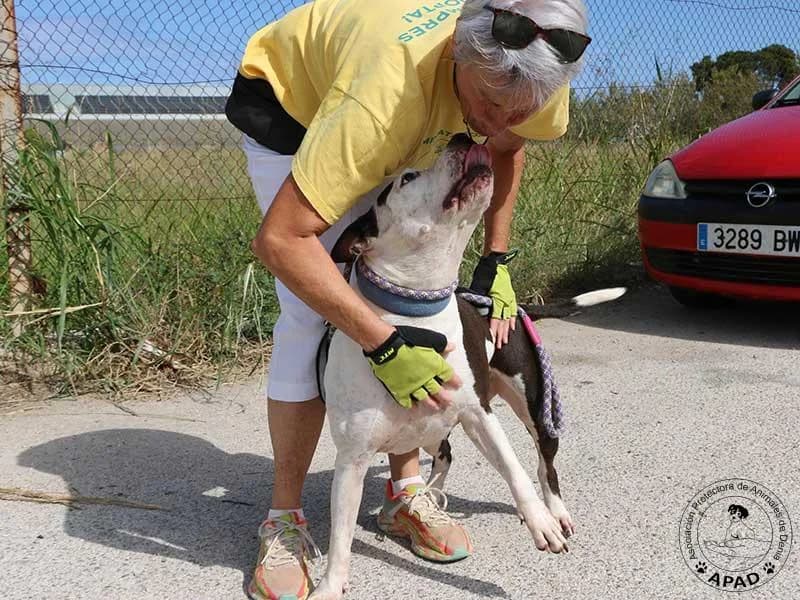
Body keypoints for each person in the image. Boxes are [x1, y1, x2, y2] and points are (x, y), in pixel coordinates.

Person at [225, 0, 590, 598]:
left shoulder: (541, 63)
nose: (499, 120)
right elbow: (282, 241)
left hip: (403, 92)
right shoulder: (383, 100)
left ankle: (405, 493)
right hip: (292, 99)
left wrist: (495, 260)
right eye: (490, 104)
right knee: (314, 309)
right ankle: (284, 520)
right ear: (454, 53)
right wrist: (383, 341)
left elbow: (507, 147)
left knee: (411, 276)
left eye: (519, 108)